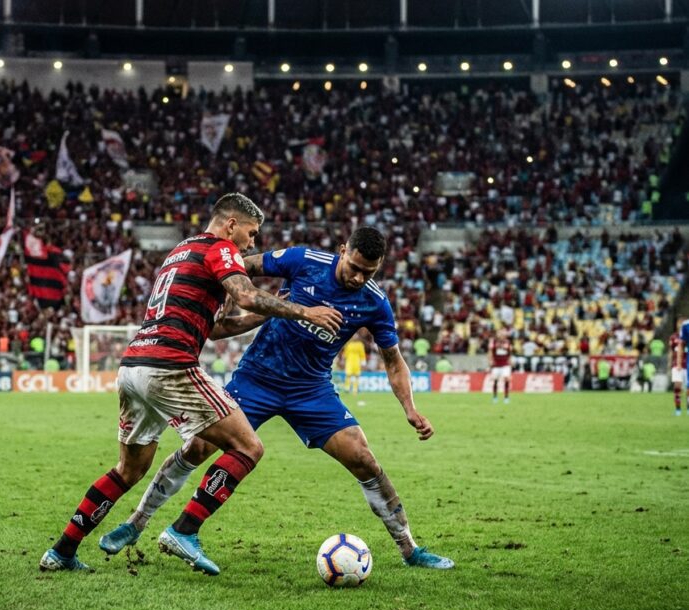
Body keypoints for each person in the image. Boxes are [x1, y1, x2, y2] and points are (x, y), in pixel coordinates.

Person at [99, 227, 453, 571]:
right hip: (257, 377)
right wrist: (221, 300)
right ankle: (137, 521)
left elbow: (393, 360)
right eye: (355, 268)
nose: (359, 278)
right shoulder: (303, 260)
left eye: (368, 272)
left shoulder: (374, 302)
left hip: (311, 389)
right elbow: (240, 265)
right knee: (197, 449)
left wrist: (410, 408)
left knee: (364, 459)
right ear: (343, 250)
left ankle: (410, 549)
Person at [39, 193, 342, 575]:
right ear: (231, 224)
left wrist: (275, 315)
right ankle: (184, 530)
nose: (252, 243)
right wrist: (304, 311)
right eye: (251, 233)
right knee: (248, 446)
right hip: (170, 365)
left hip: (133, 366)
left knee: (128, 470)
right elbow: (247, 296)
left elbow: (217, 329)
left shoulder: (182, 250)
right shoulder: (221, 248)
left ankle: (62, 550)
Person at [488, 329, 512, 404]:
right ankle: (495, 397)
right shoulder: (493, 342)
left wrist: (510, 360)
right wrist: (490, 360)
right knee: (495, 380)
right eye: (500, 334)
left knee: (507, 379)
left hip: (505, 364)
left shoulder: (508, 342)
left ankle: (506, 397)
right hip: (496, 364)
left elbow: (510, 352)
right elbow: (490, 352)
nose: (501, 335)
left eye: (503, 334)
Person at [669, 320, 685, 415]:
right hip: (676, 365)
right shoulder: (673, 337)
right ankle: (678, 409)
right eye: (679, 322)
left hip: (686, 364)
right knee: (677, 387)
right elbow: (671, 351)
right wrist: (669, 364)